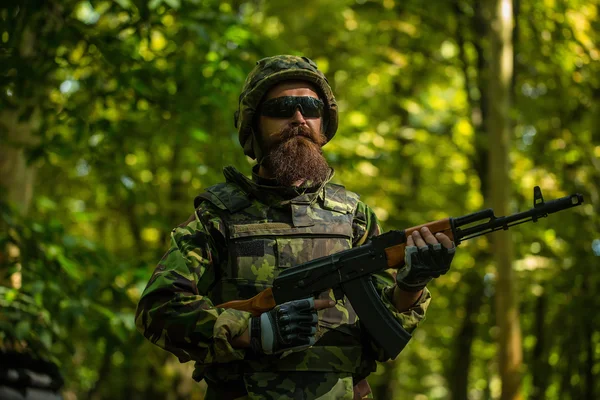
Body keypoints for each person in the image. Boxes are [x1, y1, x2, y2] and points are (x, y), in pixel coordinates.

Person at [135, 55, 455, 399]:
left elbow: (380, 341)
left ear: (324, 122)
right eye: (282, 107)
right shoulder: (219, 215)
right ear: (253, 123)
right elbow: (158, 310)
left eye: (310, 107)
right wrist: (254, 331)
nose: (299, 118)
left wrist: (412, 284)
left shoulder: (354, 216)